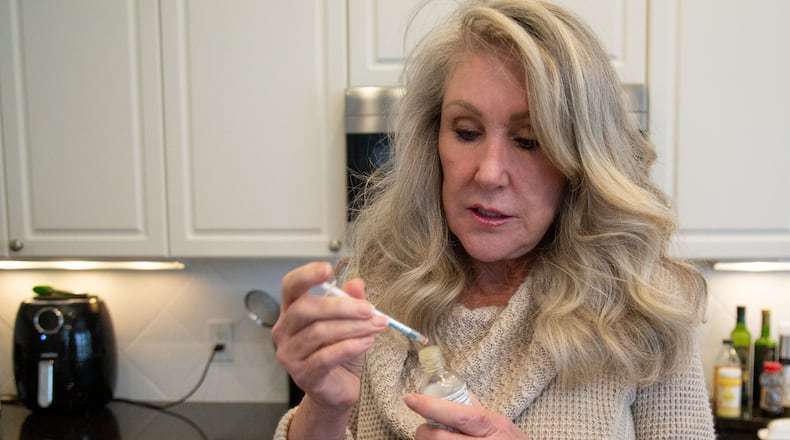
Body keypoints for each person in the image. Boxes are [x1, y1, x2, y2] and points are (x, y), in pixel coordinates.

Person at [272, 0, 715, 438]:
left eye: (529, 140)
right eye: (466, 132)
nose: (487, 173)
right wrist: (323, 412)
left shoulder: (643, 304)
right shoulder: (374, 289)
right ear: (434, 138)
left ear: (582, 160)